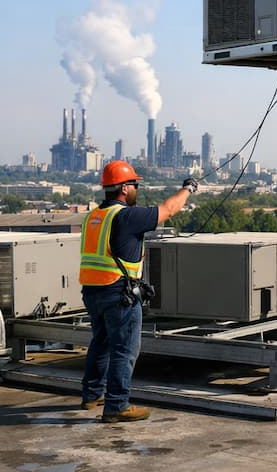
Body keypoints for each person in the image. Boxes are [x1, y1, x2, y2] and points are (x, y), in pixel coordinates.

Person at [79, 159, 197, 423]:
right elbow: (169, 208)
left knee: (101, 342)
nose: (136, 189)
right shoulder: (127, 216)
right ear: (123, 188)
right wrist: (188, 188)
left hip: (92, 291)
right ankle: (117, 406)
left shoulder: (94, 217)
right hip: (119, 293)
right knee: (124, 349)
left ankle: (91, 396)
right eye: (134, 184)